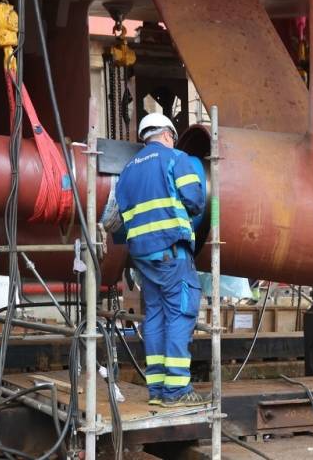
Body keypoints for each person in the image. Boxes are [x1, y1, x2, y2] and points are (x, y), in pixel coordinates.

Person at [115, 112, 208, 407]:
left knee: (155, 316)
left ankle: (156, 388)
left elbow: (118, 216)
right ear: (168, 134)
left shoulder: (128, 170)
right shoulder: (175, 158)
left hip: (143, 257)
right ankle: (177, 389)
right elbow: (195, 200)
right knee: (180, 313)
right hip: (171, 252)